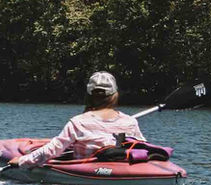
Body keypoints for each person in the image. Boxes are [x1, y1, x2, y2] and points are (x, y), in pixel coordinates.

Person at [9, 71, 145, 167]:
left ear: (89, 95)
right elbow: (142, 147)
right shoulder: (129, 122)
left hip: (85, 182)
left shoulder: (78, 122)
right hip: (120, 169)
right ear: (114, 95)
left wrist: (23, 161)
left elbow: (54, 149)